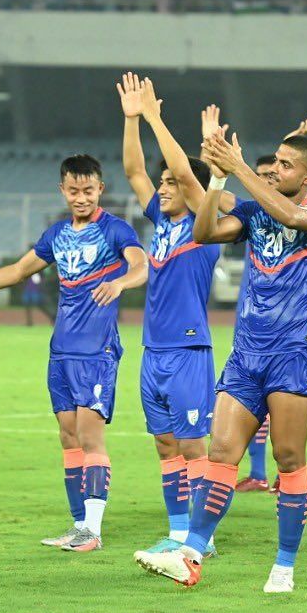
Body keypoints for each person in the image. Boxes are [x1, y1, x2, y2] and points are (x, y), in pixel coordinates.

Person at [135, 127, 307, 593]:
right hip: (247, 355)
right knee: (222, 454)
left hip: (293, 354)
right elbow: (204, 231)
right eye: (274, 164)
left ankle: (284, 566)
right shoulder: (252, 214)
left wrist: (242, 168)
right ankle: (190, 556)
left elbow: (289, 213)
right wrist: (216, 180)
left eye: (286, 166)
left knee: (289, 459)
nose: (276, 172)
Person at [0, 154, 147, 552]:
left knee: (89, 436)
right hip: (61, 350)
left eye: (89, 190)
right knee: (68, 438)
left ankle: (94, 532)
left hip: (96, 351)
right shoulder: (56, 235)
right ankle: (79, 525)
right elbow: (16, 270)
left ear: (100, 189)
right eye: (74, 190)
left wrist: (120, 284)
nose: (81, 198)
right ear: (62, 190)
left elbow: (141, 264)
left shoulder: (115, 230)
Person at [117, 74, 224, 556]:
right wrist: (131, 120)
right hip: (152, 350)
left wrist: (158, 119)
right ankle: (178, 531)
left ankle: (203, 536)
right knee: (165, 446)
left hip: (188, 350)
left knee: (193, 447)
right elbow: (134, 170)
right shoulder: (160, 221)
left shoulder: (207, 227)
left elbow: (183, 172)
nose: (162, 188)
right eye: (162, 184)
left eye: (171, 184)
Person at [235, 153, 278, 493]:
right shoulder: (250, 214)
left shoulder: (305, 215)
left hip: (287, 335)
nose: (265, 180)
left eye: (271, 174)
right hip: (250, 326)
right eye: (258, 175)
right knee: (254, 407)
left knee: (281, 409)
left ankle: (281, 472)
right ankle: (260, 473)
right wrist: (216, 173)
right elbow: (211, 198)